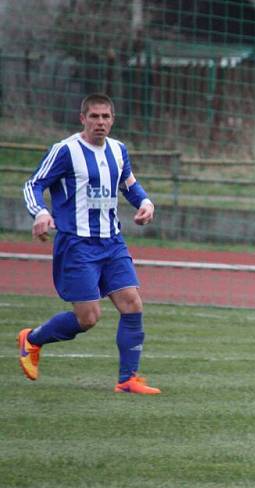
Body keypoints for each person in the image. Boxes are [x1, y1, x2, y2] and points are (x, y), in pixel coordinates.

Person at [18, 93, 160, 394]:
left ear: (113, 119)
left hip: (112, 242)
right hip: (77, 245)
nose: (100, 123)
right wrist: (40, 212)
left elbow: (129, 184)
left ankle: (127, 379)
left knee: (132, 304)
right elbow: (34, 184)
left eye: (105, 117)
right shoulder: (66, 150)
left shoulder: (119, 150)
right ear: (83, 118)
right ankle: (32, 339)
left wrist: (145, 202)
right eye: (94, 116)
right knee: (88, 318)